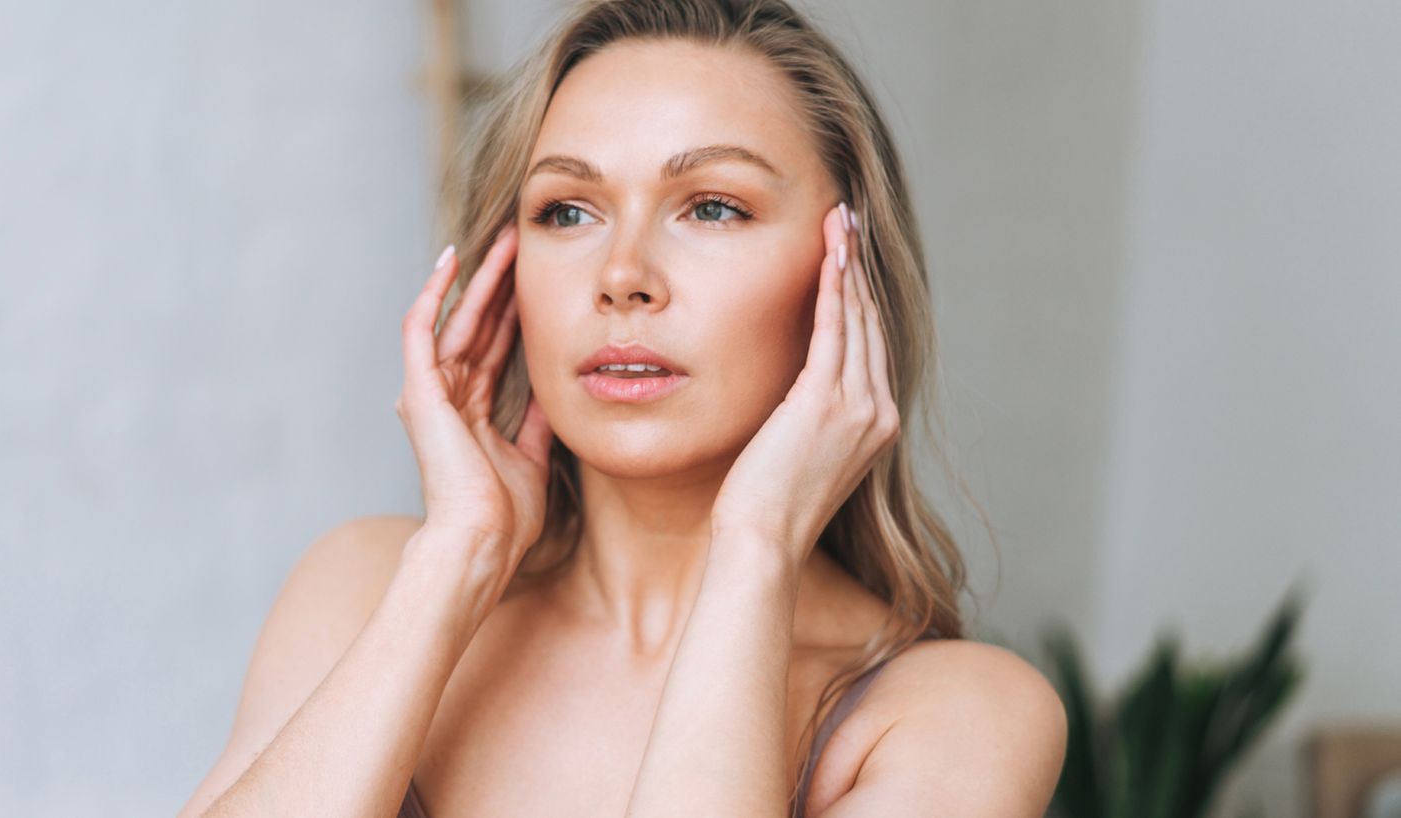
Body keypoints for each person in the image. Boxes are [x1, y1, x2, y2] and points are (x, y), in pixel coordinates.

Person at [178, 1, 1067, 816]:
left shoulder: (958, 715)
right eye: (567, 211)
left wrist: (755, 547)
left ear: (850, 276)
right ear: (507, 271)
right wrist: (458, 557)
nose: (621, 277)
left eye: (712, 208)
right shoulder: (365, 588)